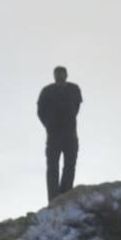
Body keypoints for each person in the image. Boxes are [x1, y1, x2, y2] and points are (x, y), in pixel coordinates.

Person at [37, 66, 82, 201]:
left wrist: (68, 119)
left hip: (70, 134)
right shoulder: (47, 91)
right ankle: (53, 199)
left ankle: (65, 195)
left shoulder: (74, 89)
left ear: (66, 75)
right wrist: (49, 125)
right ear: (54, 76)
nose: (59, 77)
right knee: (52, 168)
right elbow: (40, 111)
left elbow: (76, 107)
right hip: (54, 135)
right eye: (57, 75)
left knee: (70, 166)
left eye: (62, 74)